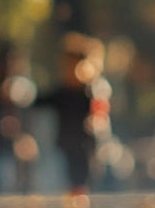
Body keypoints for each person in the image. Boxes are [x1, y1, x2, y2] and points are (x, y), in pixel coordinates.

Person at [35, 33, 105, 196]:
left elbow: (98, 112)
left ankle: (81, 195)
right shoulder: (62, 91)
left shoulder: (90, 91)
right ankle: (73, 195)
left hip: (84, 139)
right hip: (66, 140)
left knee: (82, 172)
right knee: (68, 171)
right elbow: (41, 101)